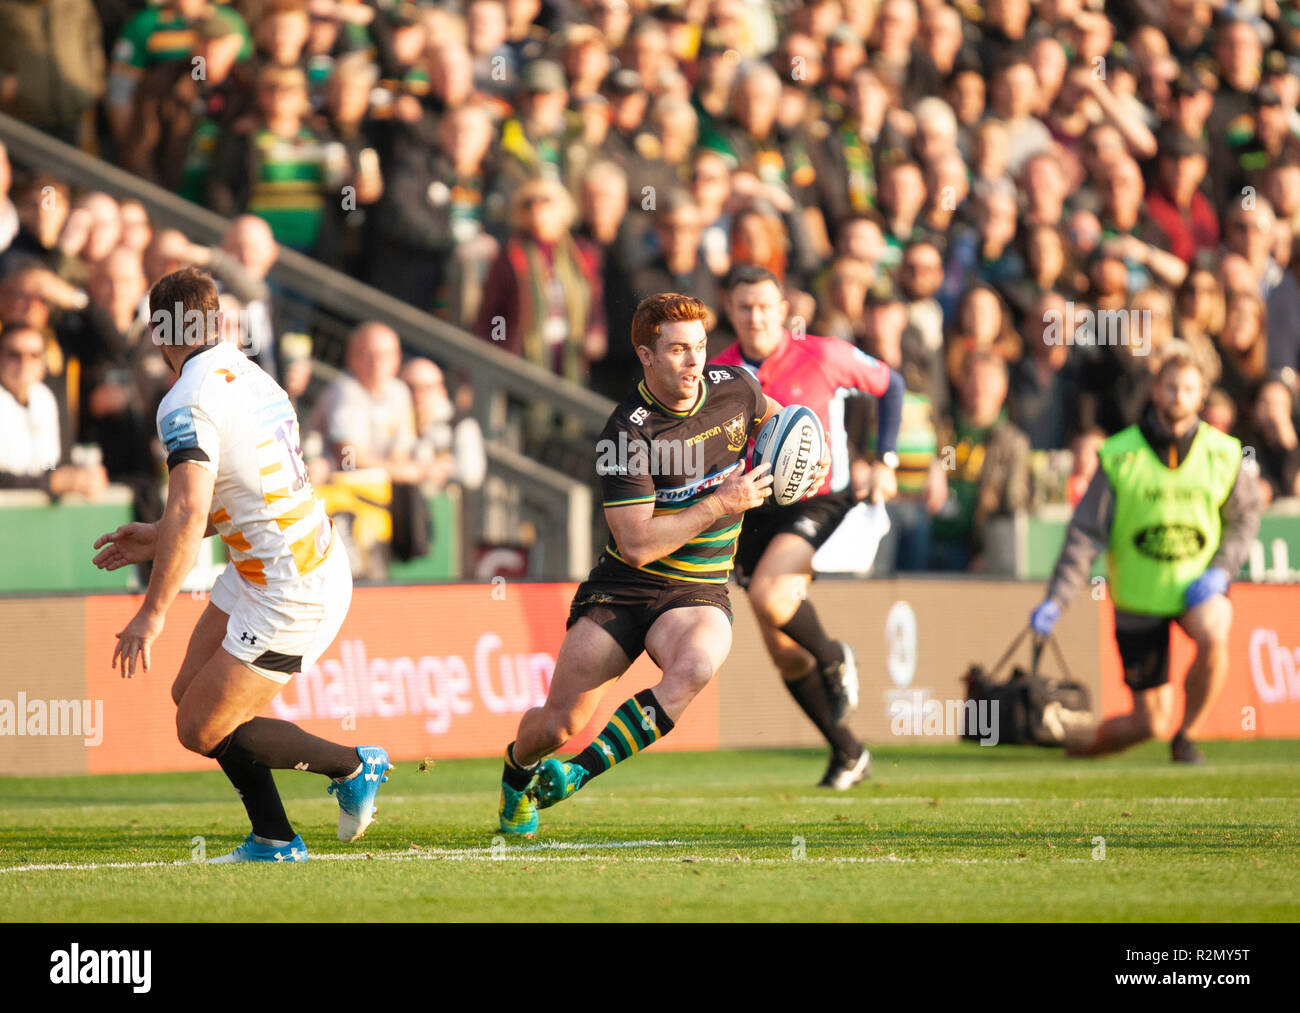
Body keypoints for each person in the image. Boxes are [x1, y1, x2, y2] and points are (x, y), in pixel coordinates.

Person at [90, 267, 391, 862]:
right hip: (272, 569)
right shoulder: (253, 377)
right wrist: (157, 536)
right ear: (218, 320)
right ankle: (274, 837)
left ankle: (353, 765)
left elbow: (190, 506)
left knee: (199, 729)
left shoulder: (185, 399)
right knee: (189, 697)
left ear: (159, 331)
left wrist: (151, 613)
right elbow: (235, 498)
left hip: (292, 588)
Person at [496, 292, 825, 835]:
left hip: (698, 590)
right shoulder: (627, 434)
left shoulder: (736, 388)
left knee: (694, 667)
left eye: (699, 347)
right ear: (647, 357)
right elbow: (638, 545)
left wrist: (809, 463)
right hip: (624, 587)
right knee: (557, 725)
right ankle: (517, 771)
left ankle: (578, 774)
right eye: (677, 351)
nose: (695, 362)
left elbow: (782, 425)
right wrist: (721, 502)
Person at [712, 265, 902, 788]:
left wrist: (882, 458)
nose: (755, 316)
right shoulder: (718, 373)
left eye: (765, 306)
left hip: (817, 500)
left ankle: (836, 654)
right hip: (752, 508)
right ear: (731, 310)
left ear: (783, 309)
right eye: (744, 306)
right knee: (783, 652)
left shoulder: (823, 353)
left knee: (772, 597)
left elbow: (892, 384)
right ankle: (849, 753)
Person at [1029, 342, 1261, 763]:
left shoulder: (1224, 453)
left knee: (1215, 632)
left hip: (1196, 588)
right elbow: (1084, 534)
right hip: (1139, 597)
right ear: (1156, 391)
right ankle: (1073, 750)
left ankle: (1187, 736)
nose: (1178, 396)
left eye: (1188, 389)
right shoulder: (1121, 455)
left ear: (1201, 396)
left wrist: (1221, 571)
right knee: (1148, 723)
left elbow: (1245, 518)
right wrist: (1056, 599)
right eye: (1171, 387)